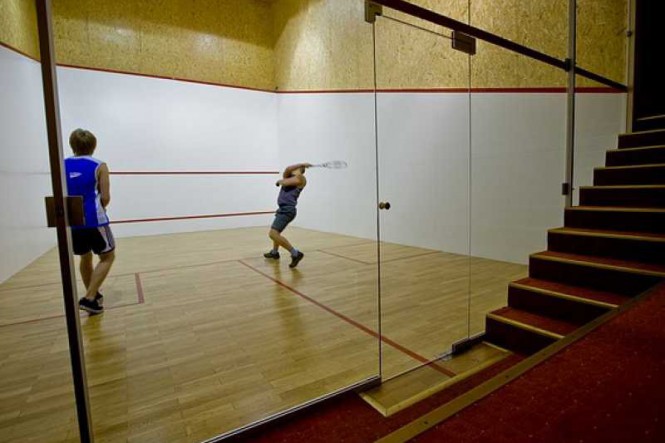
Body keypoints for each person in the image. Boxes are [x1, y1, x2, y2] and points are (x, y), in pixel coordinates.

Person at [64, 129, 115, 314]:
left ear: (72, 145)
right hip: (95, 221)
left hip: (73, 222)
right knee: (108, 257)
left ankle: (92, 295)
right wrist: (101, 208)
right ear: (93, 146)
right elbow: (105, 197)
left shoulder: (62, 165)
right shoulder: (100, 166)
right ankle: (90, 297)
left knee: (85, 257)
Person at [264, 162, 311, 268]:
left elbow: (285, 183)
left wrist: (280, 181)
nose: (292, 169)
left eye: (296, 168)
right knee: (277, 232)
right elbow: (288, 169)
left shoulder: (301, 178)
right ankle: (274, 253)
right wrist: (302, 163)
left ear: (300, 170)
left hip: (287, 210)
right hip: (282, 209)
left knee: (273, 234)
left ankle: (295, 253)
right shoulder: (289, 176)